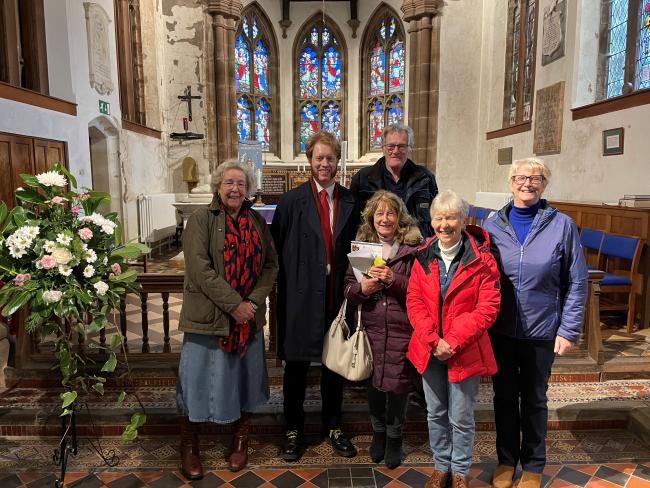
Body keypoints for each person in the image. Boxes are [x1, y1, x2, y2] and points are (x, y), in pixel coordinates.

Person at [484, 158, 587, 488]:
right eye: (520, 177)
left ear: (544, 184)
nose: (527, 183)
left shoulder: (562, 225)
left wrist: (568, 329)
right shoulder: (492, 224)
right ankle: (505, 460)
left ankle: (533, 463)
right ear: (510, 181)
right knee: (502, 397)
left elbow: (577, 280)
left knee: (534, 399)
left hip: (542, 330)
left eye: (535, 178)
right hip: (501, 329)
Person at [176, 160, 279, 479]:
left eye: (241, 184)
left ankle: (240, 440)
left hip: (247, 318)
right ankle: (190, 446)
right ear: (218, 186)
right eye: (229, 183)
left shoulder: (257, 222)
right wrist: (234, 304)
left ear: (248, 189)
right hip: (208, 318)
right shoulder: (200, 220)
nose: (235, 189)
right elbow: (199, 269)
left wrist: (251, 302)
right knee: (196, 382)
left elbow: (270, 266)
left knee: (244, 381)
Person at [271, 131, 360, 462]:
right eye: (319, 157)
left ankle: (333, 425)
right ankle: (293, 428)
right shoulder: (290, 202)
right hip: (300, 297)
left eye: (330, 158)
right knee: (295, 367)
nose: (325, 163)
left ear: (338, 161)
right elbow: (278, 250)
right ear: (309, 160)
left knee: (333, 365)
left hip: (337, 298)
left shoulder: (351, 201)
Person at [406, 190, 501, 488]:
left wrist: (454, 341)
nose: (444, 224)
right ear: (431, 220)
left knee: (461, 416)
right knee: (435, 412)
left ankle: (459, 471)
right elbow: (414, 300)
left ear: (463, 219)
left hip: (465, 348)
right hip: (429, 348)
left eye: (451, 217)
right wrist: (434, 340)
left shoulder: (482, 259)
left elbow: (488, 307)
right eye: (439, 217)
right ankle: (440, 466)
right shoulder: (423, 256)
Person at [343, 191, 422, 469]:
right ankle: (378, 434)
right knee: (374, 384)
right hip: (371, 327)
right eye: (379, 213)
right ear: (371, 218)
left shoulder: (413, 249)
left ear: (400, 218)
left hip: (403, 328)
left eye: (390, 213)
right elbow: (348, 290)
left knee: (399, 386)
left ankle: (395, 438)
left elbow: (421, 291)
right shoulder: (362, 248)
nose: (385, 218)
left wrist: (393, 279)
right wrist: (361, 289)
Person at [350, 123, 438, 238]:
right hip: (375, 250)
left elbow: (436, 218)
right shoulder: (362, 179)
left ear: (410, 149)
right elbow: (353, 223)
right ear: (383, 148)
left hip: (416, 250)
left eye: (401, 146)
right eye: (390, 146)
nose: (395, 151)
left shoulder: (425, 178)